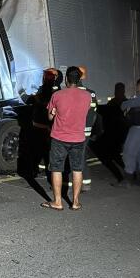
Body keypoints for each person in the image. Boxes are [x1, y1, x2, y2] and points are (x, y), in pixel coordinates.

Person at [41, 67, 92, 211]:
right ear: (80, 79)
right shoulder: (87, 96)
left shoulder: (57, 95)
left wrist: (54, 112)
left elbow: (50, 117)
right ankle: (75, 202)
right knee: (77, 169)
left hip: (59, 138)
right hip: (78, 138)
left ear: (66, 79)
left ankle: (58, 202)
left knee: (56, 169)